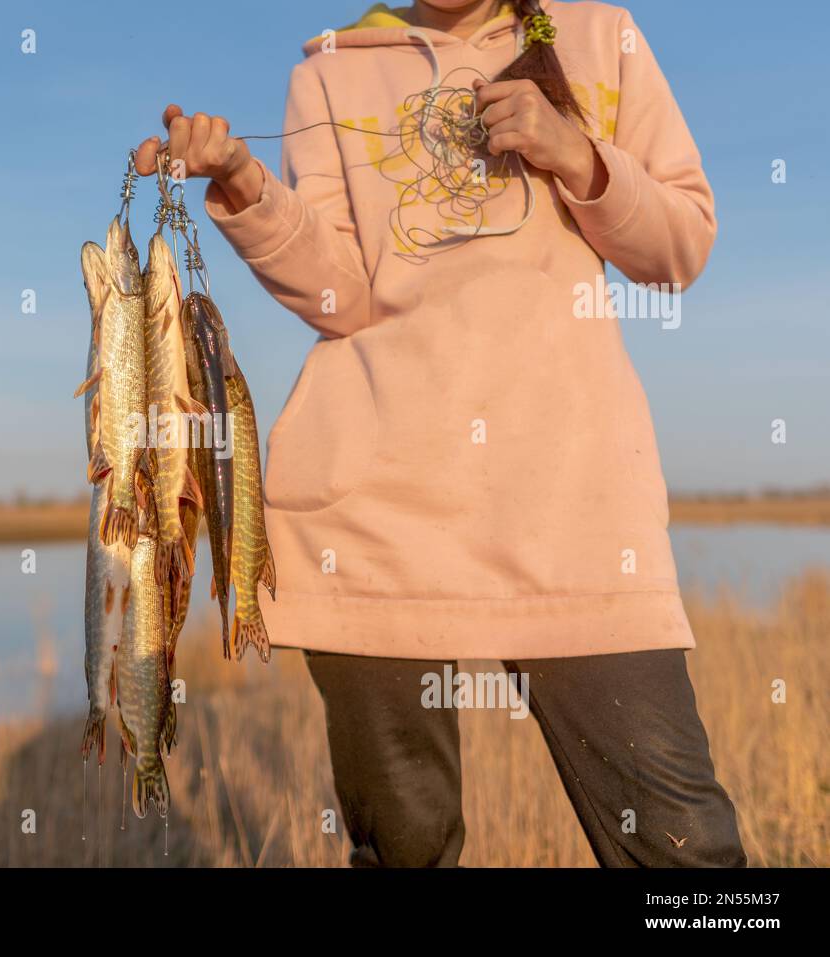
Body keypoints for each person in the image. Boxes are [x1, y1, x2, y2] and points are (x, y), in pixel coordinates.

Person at [133, 0, 746, 867]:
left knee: (691, 859)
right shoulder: (329, 69)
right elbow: (339, 293)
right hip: (374, 513)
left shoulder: (600, 34)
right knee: (406, 849)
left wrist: (576, 153)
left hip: (577, 508)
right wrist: (241, 179)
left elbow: (680, 246)